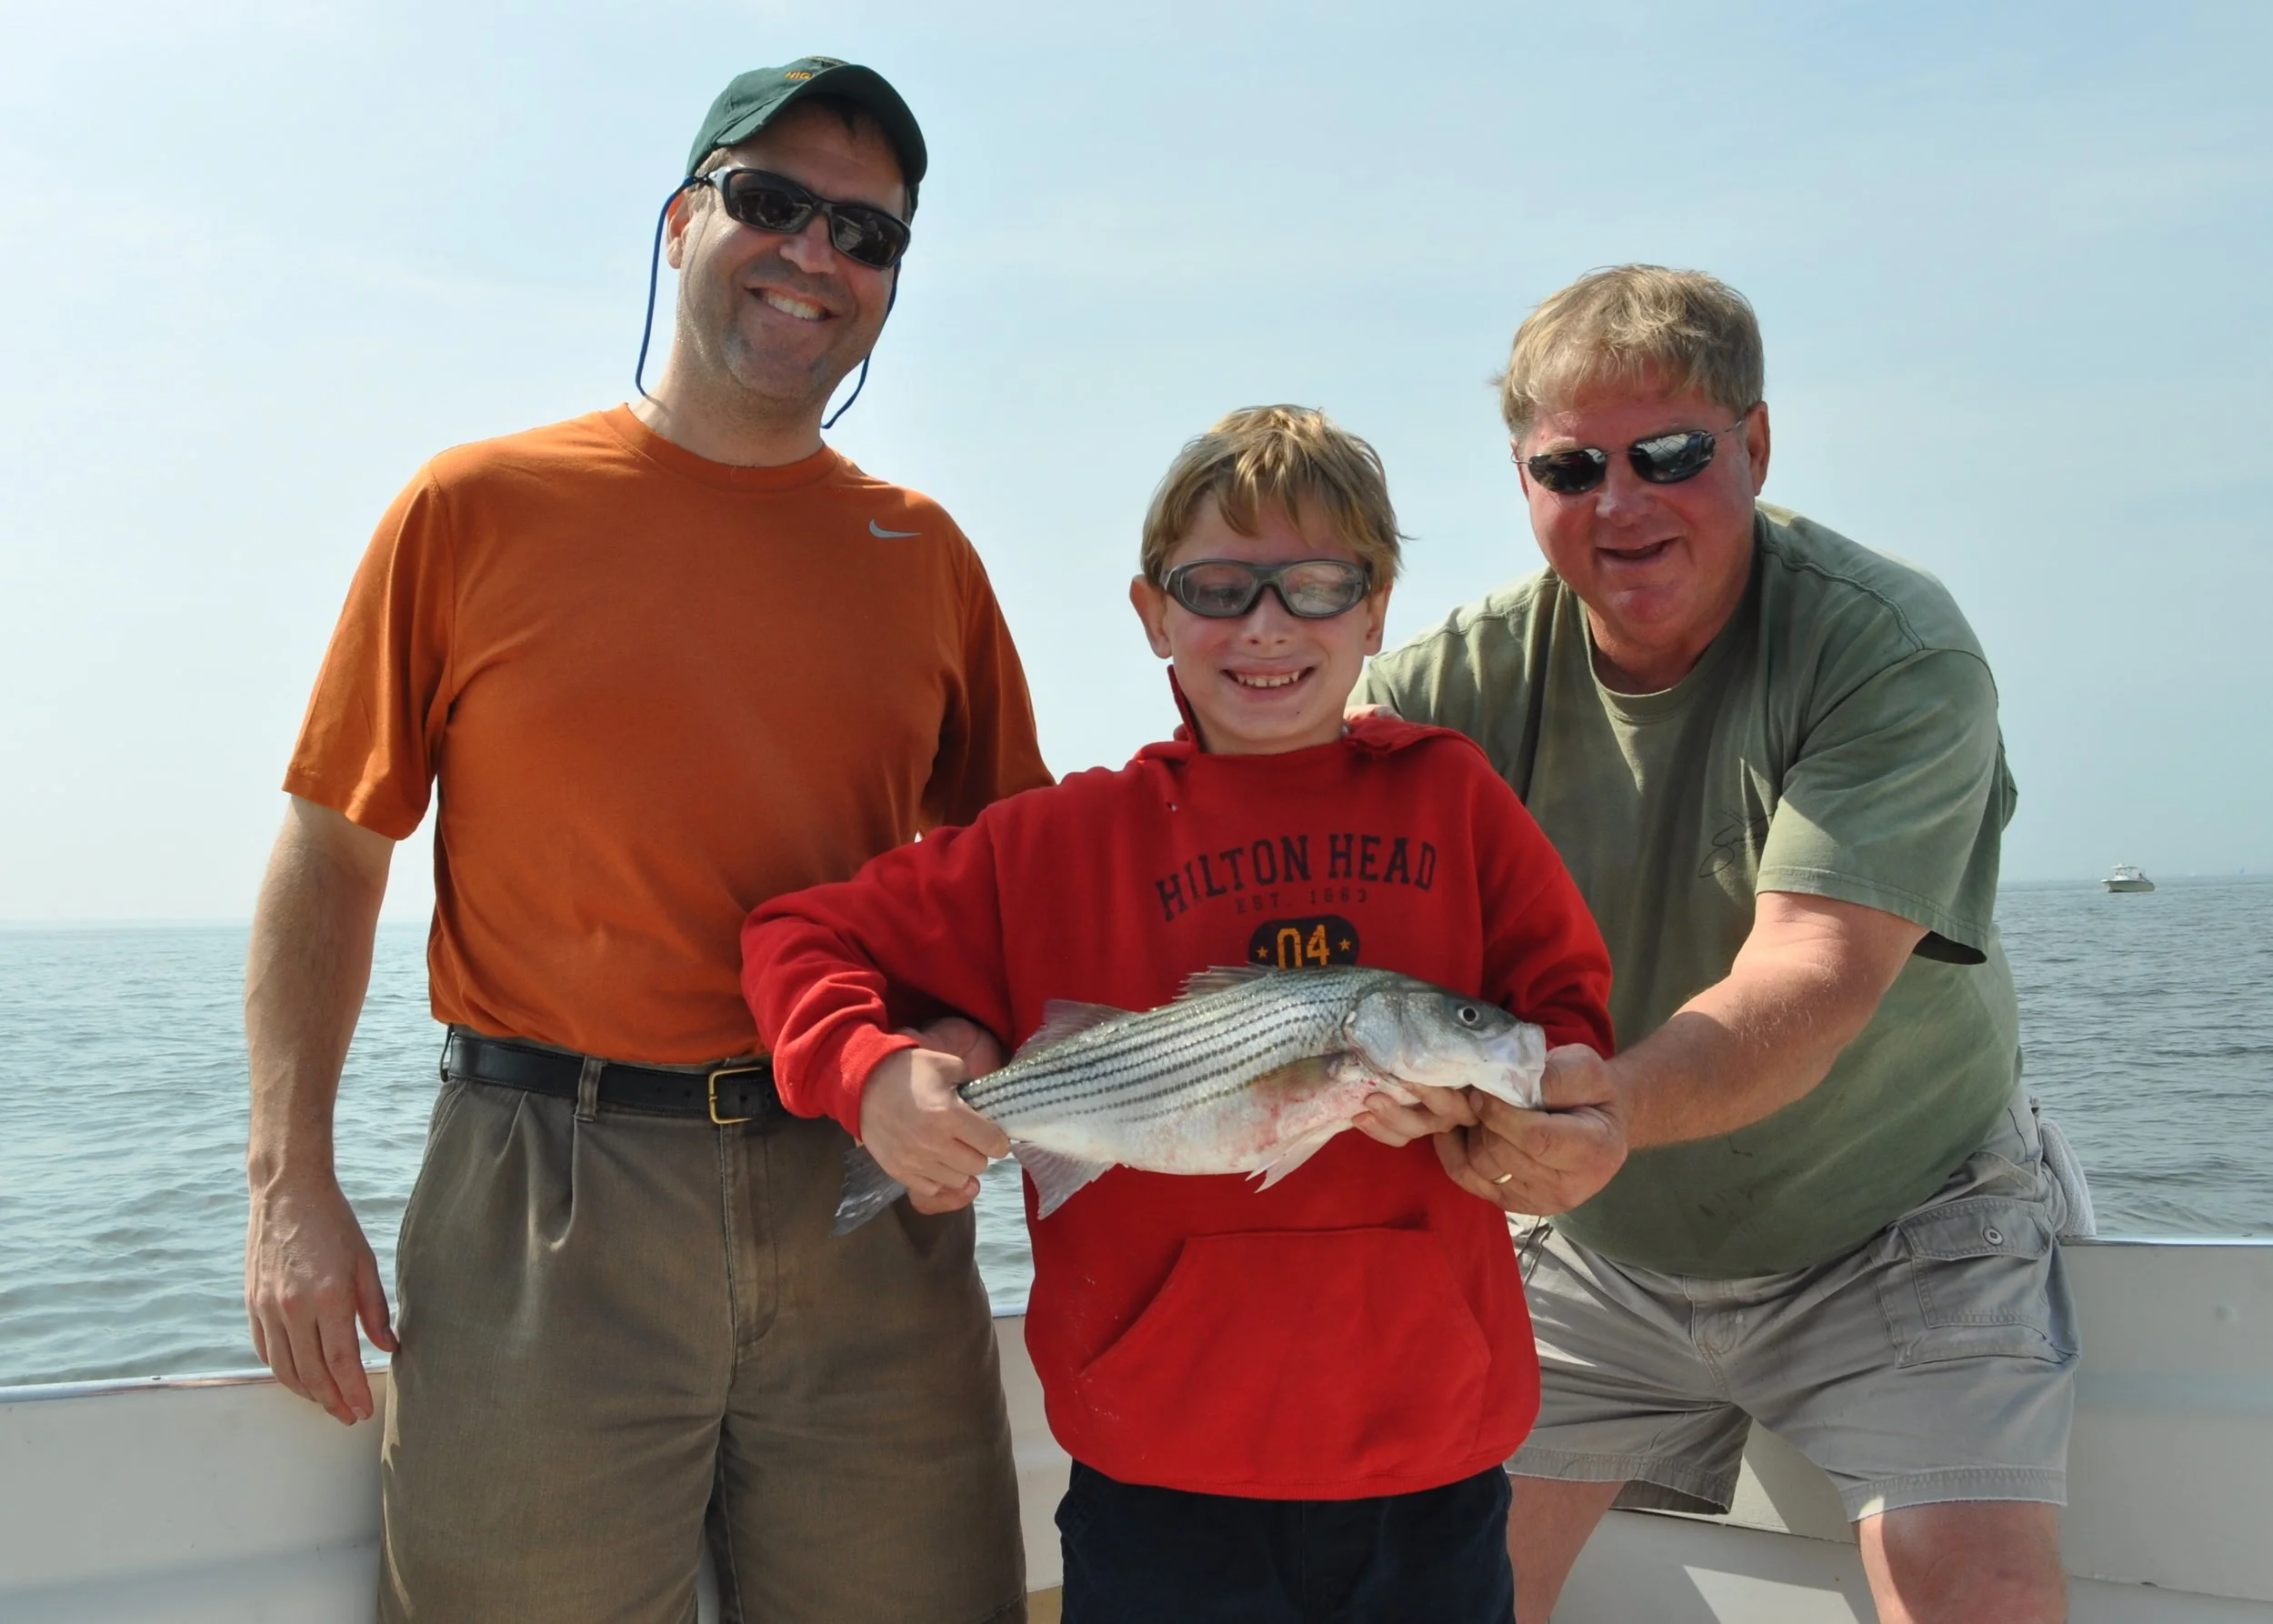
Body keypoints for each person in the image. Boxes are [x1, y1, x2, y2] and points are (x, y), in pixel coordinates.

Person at [241, 58, 1047, 1623]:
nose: (814, 252)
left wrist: (968, 1036)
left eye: (866, 233)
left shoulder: (927, 556)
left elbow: (1017, 880)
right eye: (772, 201)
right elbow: (331, 853)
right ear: (681, 221)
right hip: (546, 1187)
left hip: (856, 1186)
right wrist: (291, 1186)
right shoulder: (470, 507)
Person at [742, 405, 1620, 1624]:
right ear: (1153, 614)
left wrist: (1550, 1116)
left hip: (1431, 1456)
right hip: (1158, 1465)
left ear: (1376, 611)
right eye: (1218, 588)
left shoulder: (1453, 799)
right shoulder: (1056, 843)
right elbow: (796, 936)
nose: (1267, 624)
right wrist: (870, 1071)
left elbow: (1562, 1023)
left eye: (1319, 586)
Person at [1357, 265, 2077, 1624]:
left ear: (1756, 442)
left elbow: (1812, 971)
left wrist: (1608, 1108)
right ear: (1523, 481)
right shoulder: (1444, 688)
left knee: (1972, 1580)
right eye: (1572, 467)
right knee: (1421, 1581)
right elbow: (1268, 868)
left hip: (1895, 1216)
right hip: (1595, 1234)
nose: (1621, 502)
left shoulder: (1889, 648)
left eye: (1672, 454)